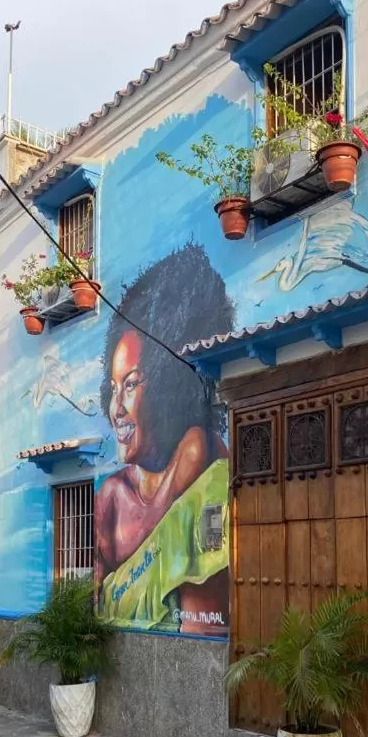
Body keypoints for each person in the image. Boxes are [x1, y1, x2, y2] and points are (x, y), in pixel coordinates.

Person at [94, 243, 234, 636]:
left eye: (132, 384)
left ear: (170, 387)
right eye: (113, 387)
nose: (116, 407)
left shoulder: (198, 450)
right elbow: (96, 597)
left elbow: (203, 626)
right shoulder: (110, 496)